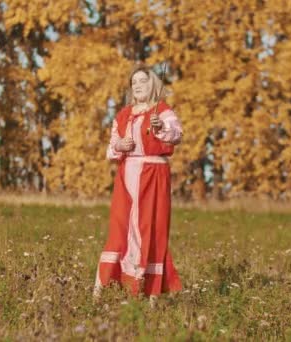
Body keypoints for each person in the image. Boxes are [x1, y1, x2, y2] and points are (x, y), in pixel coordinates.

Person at [93, 64, 183, 306]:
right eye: (134, 83)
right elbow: (111, 146)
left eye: (142, 81)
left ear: (152, 83)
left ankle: (150, 294)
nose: (138, 86)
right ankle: (104, 287)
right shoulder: (123, 114)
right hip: (127, 176)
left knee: (150, 229)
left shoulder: (162, 111)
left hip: (154, 175)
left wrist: (161, 127)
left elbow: (176, 134)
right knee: (120, 228)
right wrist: (120, 145)